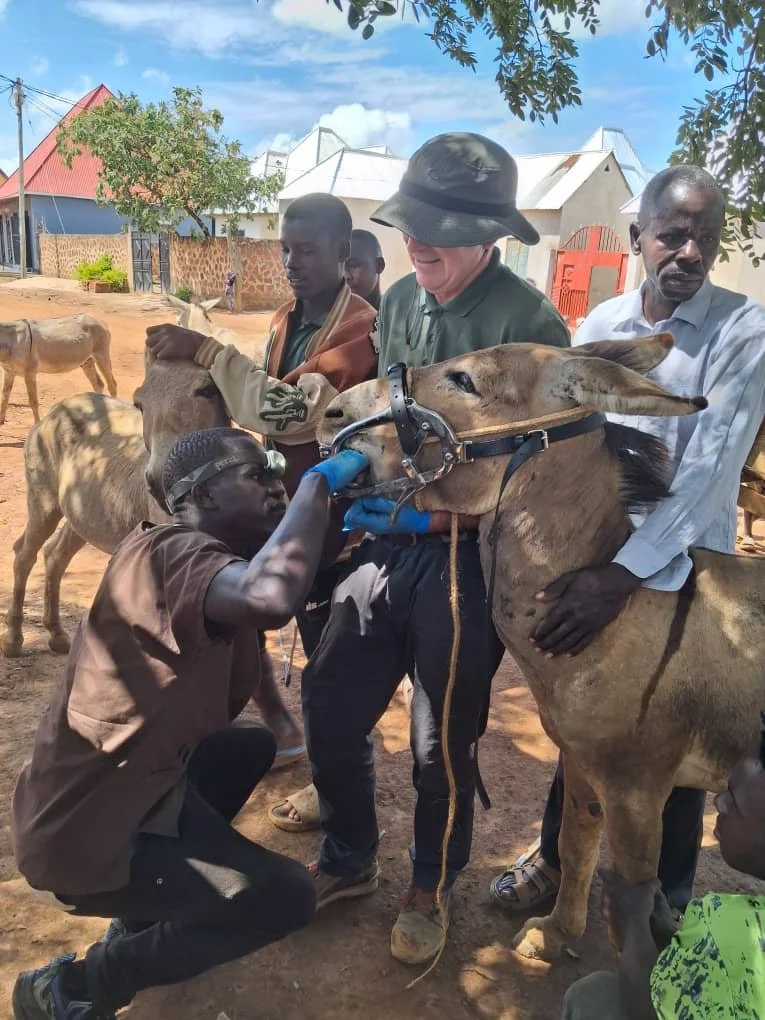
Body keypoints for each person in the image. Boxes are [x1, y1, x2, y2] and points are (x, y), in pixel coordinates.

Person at [298, 133, 569, 967]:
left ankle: (428, 883)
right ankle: (347, 855)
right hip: (387, 536)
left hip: (468, 563)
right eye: (412, 226)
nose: (417, 244)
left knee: (437, 743)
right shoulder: (406, 303)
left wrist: (453, 523)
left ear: (489, 235)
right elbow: (387, 409)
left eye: (438, 230)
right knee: (329, 702)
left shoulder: (531, 324)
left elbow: (552, 472)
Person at [11, 426, 368, 1019]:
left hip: (130, 792)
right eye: (259, 476)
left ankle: (142, 911)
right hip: (80, 836)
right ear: (202, 497)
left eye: (279, 476)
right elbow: (272, 595)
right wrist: (316, 484)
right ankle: (77, 986)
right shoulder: (168, 553)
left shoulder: (204, 561)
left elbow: (290, 564)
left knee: (247, 747)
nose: (278, 487)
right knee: (284, 898)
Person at [491, 165, 765, 916]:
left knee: (659, 744)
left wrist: (619, 576)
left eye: (703, 240)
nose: (687, 253)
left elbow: (710, 473)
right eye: (671, 235)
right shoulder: (603, 325)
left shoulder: (744, 332)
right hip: (592, 560)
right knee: (577, 721)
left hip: (677, 572)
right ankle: (556, 864)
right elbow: (574, 441)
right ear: (637, 235)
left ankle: (662, 908)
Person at [146, 193, 378, 798]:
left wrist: (205, 350)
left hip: (334, 520)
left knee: (330, 668)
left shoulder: (360, 333)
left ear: (343, 252)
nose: (291, 261)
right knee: (259, 617)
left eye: (306, 250)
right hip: (281, 504)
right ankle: (296, 742)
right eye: (285, 249)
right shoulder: (284, 319)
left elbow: (285, 409)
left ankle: (337, 798)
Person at [561, 724, 765, 1019]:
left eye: (732, 798)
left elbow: (651, 1007)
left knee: (591, 997)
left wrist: (633, 927)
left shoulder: (736, 929)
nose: (718, 801)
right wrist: (668, 931)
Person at [345, 228, 386, 310]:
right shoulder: (328, 318)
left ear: (379, 265)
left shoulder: (397, 318)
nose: (345, 276)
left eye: (353, 265)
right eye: (339, 268)